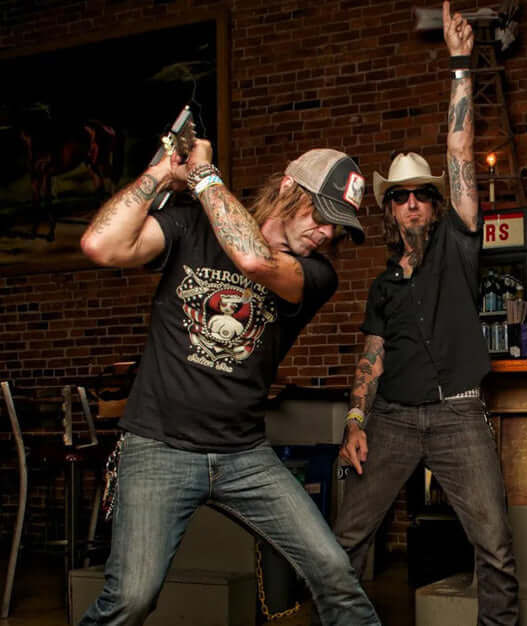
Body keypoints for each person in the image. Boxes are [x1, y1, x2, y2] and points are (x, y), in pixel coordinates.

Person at [78, 136, 380, 625]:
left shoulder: (316, 274)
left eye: (337, 226)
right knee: (131, 598)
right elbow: (100, 245)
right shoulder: (190, 227)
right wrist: (164, 173)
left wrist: (202, 176)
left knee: (333, 572)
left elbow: (254, 260)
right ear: (288, 188)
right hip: (158, 446)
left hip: (243, 455)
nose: (327, 232)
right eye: (319, 214)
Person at [333, 3, 519, 624]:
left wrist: (461, 63)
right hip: (390, 419)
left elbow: (460, 146)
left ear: (437, 208)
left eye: (422, 196)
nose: (412, 205)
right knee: (343, 543)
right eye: (400, 198)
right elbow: (370, 357)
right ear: (388, 211)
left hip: (459, 412)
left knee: (494, 546)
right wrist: (355, 419)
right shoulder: (384, 285)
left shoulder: (459, 249)